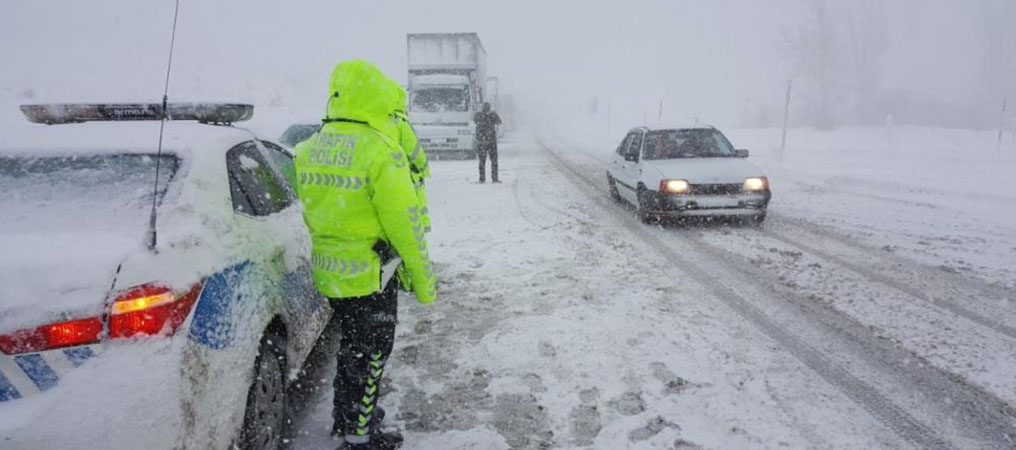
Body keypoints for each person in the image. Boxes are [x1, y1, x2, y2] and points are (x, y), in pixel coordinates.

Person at [294, 59, 437, 450]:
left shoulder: (308, 147)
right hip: (371, 275)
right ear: (375, 95)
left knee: (351, 349)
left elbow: (314, 210)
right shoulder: (379, 151)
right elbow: (404, 225)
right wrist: (424, 282)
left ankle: (349, 416)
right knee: (372, 354)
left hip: (332, 275)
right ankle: (360, 436)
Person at [473, 101, 502, 183]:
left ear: (482, 107)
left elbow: (474, 121)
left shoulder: (478, 115)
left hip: (481, 142)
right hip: (491, 141)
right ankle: (495, 178)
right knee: (494, 161)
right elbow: (499, 122)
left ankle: (482, 179)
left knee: (482, 161)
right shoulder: (492, 115)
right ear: (489, 108)